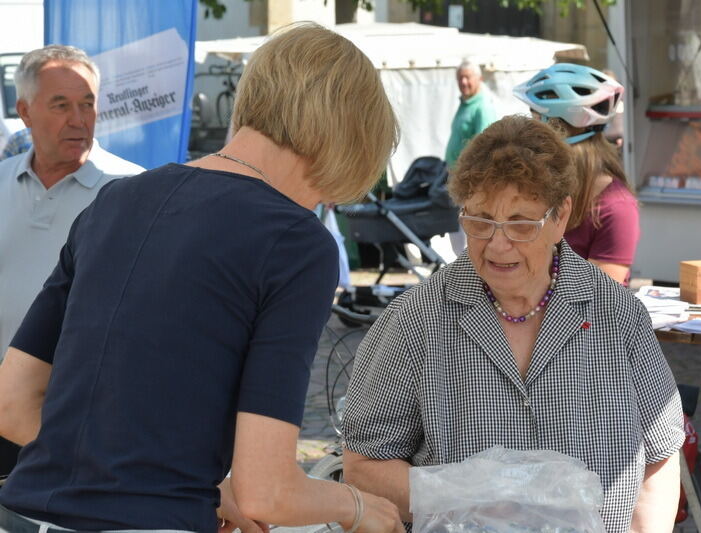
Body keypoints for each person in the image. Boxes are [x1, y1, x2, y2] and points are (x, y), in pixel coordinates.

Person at [0, 23, 402, 533]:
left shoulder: (115, 200)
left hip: (26, 514)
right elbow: (267, 492)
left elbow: (13, 404)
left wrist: (183, 481)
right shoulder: (297, 241)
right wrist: (359, 506)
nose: (326, 204)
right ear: (345, 137)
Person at [341, 116, 684, 533]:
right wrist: (465, 494)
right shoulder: (416, 321)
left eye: (522, 223)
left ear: (561, 217)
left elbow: (659, 455)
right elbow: (363, 466)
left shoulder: (616, 314)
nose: (498, 244)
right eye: (481, 220)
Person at [0, 45, 143, 476]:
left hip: (75, 413)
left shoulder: (133, 191)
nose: (79, 120)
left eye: (87, 104)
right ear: (24, 112)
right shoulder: (1, 180)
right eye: (61, 105)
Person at [513, 63, 638, 285]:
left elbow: (600, 297)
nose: (528, 132)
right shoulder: (537, 188)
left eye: (534, 120)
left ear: (556, 130)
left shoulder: (614, 207)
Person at [444, 59, 496, 255]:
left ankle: (471, 271)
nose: (463, 82)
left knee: (469, 228)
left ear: (479, 79)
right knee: (458, 227)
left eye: (468, 77)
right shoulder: (465, 104)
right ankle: (462, 268)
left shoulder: (482, 107)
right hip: (458, 178)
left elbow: (485, 149)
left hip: (471, 181)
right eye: (460, 78)